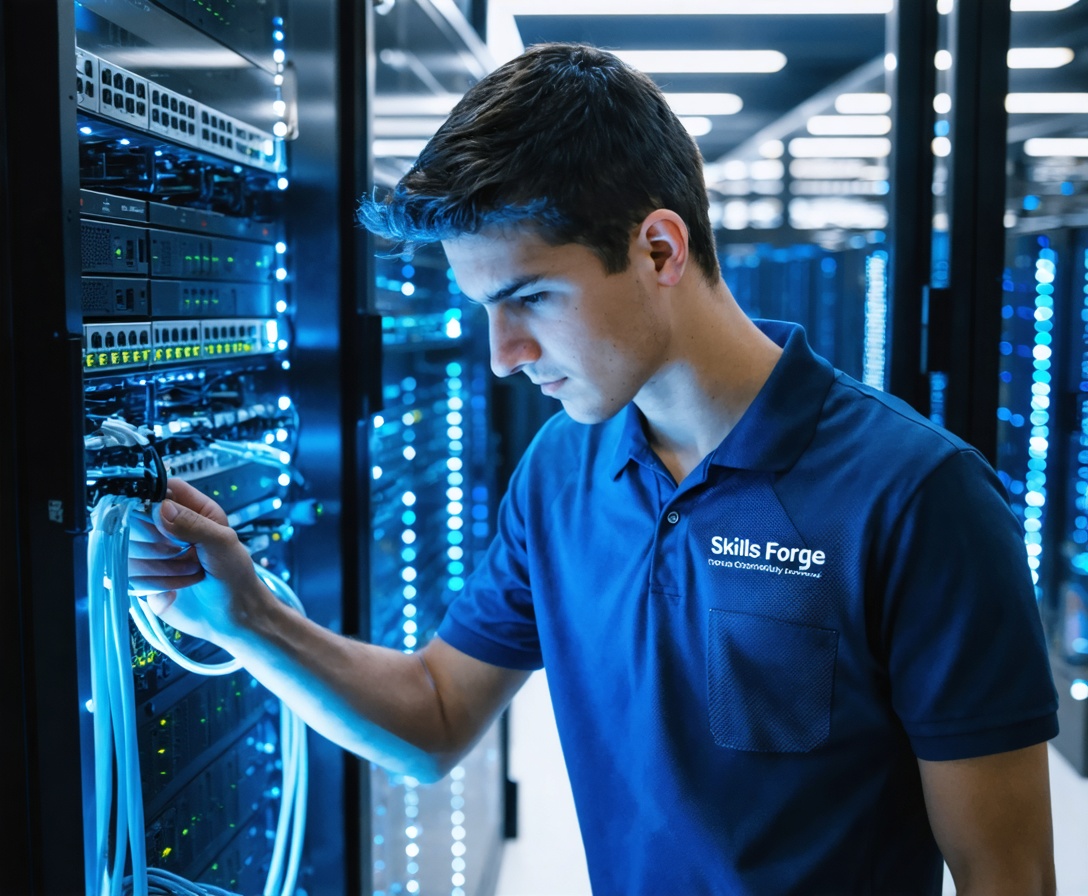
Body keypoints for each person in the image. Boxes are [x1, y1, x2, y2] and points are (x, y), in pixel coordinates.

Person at [130, 42, 1060, 896]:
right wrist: (246, 619)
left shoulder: (916, 496)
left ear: (660, 248)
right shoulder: (562, 470)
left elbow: (1004, 873)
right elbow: (437, 716)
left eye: (528, 296)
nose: (501, 353)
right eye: (484, 307)